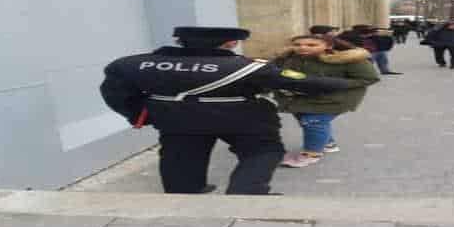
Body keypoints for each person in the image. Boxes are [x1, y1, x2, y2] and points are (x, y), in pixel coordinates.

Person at [99, 27, 350, 195]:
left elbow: (114, 93)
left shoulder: (133, 64)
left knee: (181, 154)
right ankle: (245, 194)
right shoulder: (249, 67)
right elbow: (305, 82)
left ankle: (184, 194)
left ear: (178, 41)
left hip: (176, 118)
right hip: (243, 119)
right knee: (261, 152)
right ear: (231, 43)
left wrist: (141, 114)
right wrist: (347, 83)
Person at [273, 35, 380, 168]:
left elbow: (370, 78)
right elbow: (276, 72)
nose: (302, 48)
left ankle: (311, 154)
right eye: (297, 45)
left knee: (313, 121)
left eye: (311, 45)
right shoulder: (287, 58)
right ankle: (328, 144)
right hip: (298, 97)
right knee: (305, 119)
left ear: (328, 46)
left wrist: (332, 84)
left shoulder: (348, 58)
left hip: (333, 98)